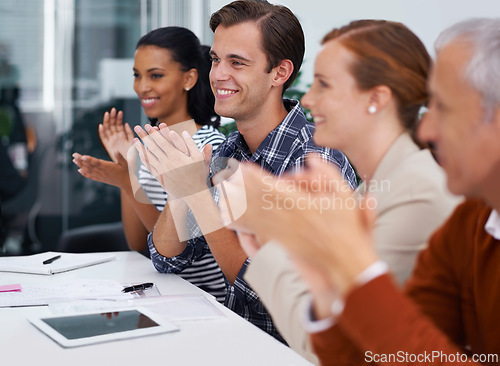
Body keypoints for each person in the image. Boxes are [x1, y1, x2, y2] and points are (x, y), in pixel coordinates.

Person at [220, 17, 500, 365]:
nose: (306, 98)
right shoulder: (392, 190)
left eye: (324, 84)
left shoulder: (415, 191)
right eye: (215, 60)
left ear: (377, 98)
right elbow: (363, 347)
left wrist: (266, 240)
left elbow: (372, 346)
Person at [132, 0, 357, 342]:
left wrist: (196, 191)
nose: (219, 74)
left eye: (237, 62)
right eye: (216, 60)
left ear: (279, 73)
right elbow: (168, 260)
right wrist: (182, 186)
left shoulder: (315, 160)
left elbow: (272, 296)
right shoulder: (229, 150)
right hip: (240, 344)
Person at [72, 27, 227, 303]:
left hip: (202, 300)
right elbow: (139, 245)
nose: (142, 87)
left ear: (189, 78)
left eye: (155, 75)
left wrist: (127, 179)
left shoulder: (208, 147)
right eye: (137, 75)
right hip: (161, 292)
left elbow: (176, 252)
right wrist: (127, 166)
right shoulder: (144, 145)